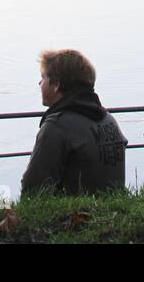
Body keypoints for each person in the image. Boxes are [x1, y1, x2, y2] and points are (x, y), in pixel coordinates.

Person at [22, 49, 127, 195]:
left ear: (56, 84)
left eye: (43, 77)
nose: (39, 83)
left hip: (74, 216)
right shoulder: (109, 120)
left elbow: (33, 189)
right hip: (113, 212)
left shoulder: (56, 127)